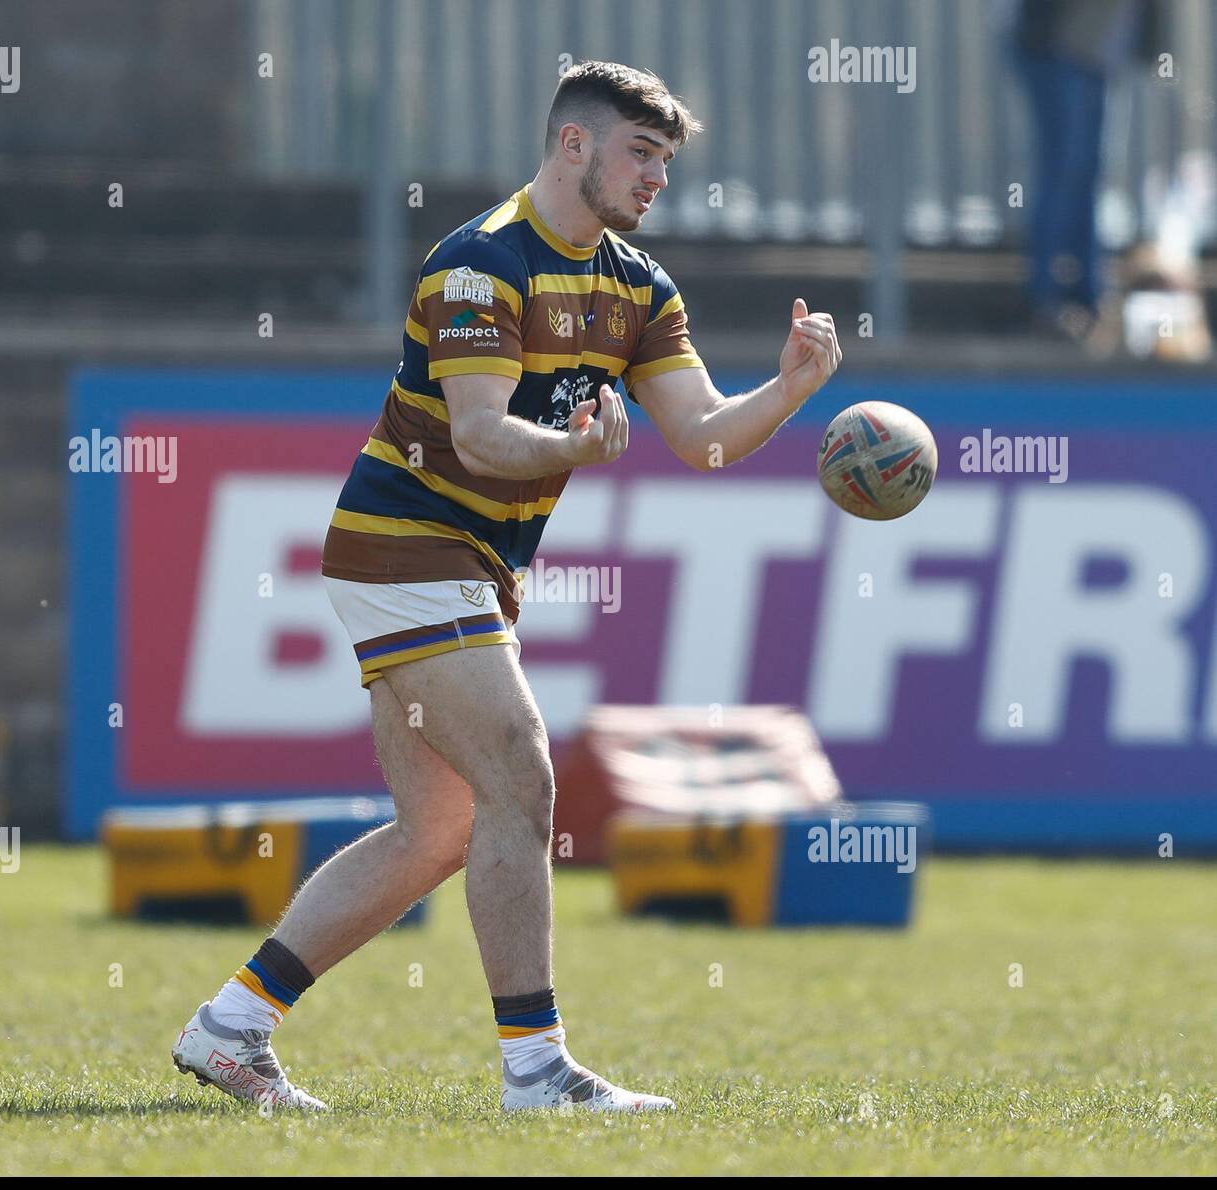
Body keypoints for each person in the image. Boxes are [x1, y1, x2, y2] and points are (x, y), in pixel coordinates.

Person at [172, 60, 841, 1113]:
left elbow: (705, 437)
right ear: (572, 145)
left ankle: (231, 1026)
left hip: (458, 566)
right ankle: (536, 1069)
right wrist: (572, 447)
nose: (655, 177)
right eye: (640, 153)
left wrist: (790, 387)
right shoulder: (480, 264)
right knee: (524, 778)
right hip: (406, 544)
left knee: (437, 830)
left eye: (664, 160)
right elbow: (482, 440)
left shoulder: (637, 286)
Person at [1009, 0, 1162, 338]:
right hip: (1060, 49)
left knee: (1085, 173)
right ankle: (1051, 298)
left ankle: (1086, 296)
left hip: (1095, 52)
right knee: (1066, 171)